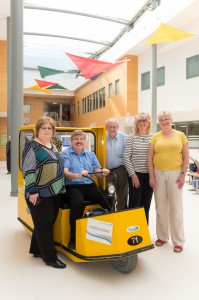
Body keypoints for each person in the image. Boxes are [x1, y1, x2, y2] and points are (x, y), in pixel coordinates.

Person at [22, 116, 66, 268]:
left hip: (55, 191)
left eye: (50, 128)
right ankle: (50, 258)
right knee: (45, 224)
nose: (47, 130)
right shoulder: (32, 146)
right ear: (38, 130)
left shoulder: (54, 144)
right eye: (44, 128)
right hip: (38, 193)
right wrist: (33, 191)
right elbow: (28, 171)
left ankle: (37, 249)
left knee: (44, 223)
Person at [148, 111, 189, 253]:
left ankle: (178, 241)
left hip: (175, 174)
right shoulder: (155, 137)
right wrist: (152, 176)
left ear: (171, 120)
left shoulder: (180, 136)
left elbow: (186, 157)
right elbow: (149, 158)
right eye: (161, 120)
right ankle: (162, 236)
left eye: (167, 119)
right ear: (159, 122)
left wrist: (183, 174)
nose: (164, 122)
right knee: (161, 207)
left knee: (176, 208)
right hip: (158, 174)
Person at [62, 130, 110, 250]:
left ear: (84, 140)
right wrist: (79, 175)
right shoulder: (65, 154)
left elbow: (97, 172)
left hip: (89, 185)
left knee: (109, 198)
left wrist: (103, 172)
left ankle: (107, 232)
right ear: (71, 141)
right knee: (78, 203)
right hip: (73, 186)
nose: (79, 141)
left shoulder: (90, 154)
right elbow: (66, 174)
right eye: (76, 139)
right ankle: (73, 238)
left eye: (81, 139)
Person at [123, 112, 153, 224]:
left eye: (144, 120)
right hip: (135, 175)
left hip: (149, 175)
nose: (142, 123)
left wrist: (153, 176)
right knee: (135, 205)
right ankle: (133, 233)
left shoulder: (153, 137)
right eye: (139, 121)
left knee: (146, 204)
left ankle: (144, 233)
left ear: (148, 123)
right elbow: (126, 157)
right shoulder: (132, 137)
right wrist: (133, 175)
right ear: (136, 124)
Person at [106, 118, 128, 211]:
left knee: (122, 197)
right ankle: (111, 217)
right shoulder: (102, 137)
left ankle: (121, 218)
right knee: (110, 197)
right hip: (107, 173)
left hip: (121, 170)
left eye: (114, 127)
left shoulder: (125, 137)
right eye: (109, 127)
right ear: (106, 128)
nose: (112, 129)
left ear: (117, 128)